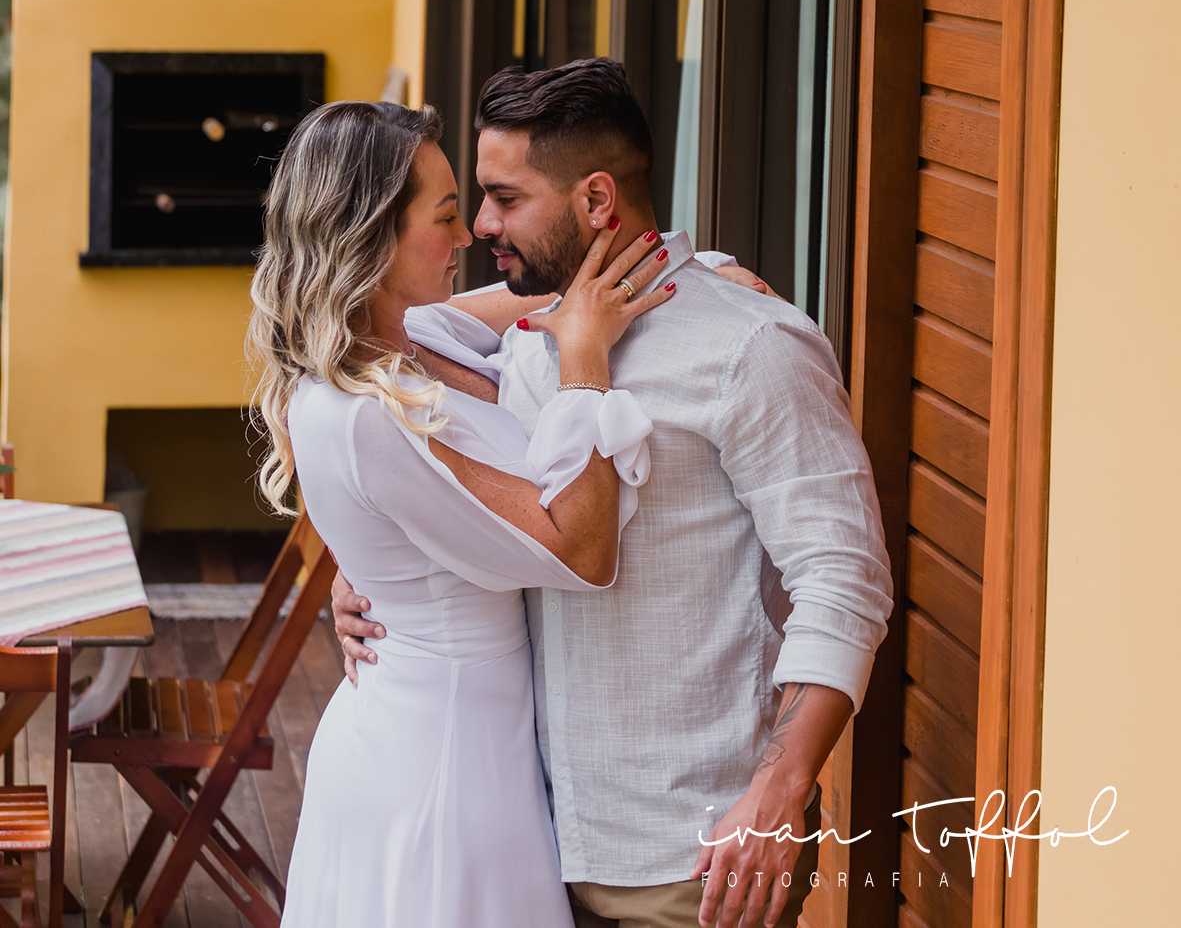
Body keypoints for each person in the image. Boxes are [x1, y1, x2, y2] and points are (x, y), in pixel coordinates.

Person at [335, 59, 894, 928]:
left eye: (504, 198)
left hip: (693, 859)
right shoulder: (530, 339)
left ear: (596, 199)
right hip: (537, 848)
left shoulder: (752, 349)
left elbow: (843, 581)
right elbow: (409, 397)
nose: (481, 225)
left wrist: (781, 787)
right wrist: (371, 570)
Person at [248, 98, 676, 928]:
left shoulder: (415, 335)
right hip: (441, 764)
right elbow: (582, 551)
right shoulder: (366, 414)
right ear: (371, 235)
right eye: (445, 215)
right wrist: (584, 365)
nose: (469, 234)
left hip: (467, 736)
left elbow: (568, 289)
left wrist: (695, 274)